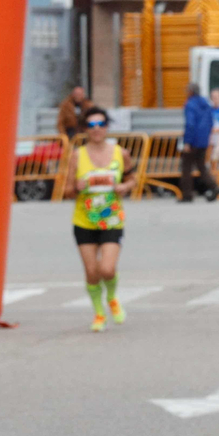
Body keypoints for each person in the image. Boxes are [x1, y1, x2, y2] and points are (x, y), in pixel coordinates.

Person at [72, 109, 132, 332]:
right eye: (91, 124)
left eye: (100, 123)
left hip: (112, 219)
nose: (96, 128)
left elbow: (132, 179)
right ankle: (99, 313)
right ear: (85, 129)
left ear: (107, 126)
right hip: (84, 220)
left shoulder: (120, 153)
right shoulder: (77, 155)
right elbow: (67, 189)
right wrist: (75, 188)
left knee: (106, 269)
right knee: (91, 272)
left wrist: (124, 186)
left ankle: (113, 298)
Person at [179, 84, 219, 203]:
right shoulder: (206, 103)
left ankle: (187, 194)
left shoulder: (190, 104)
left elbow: (190, 124)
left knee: (186, 167)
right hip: (203, 139)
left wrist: (187, 142)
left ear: (190, 92)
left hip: (193, 140)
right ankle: (214, 186)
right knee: (201, 166)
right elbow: (210, 122)